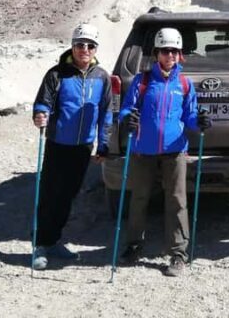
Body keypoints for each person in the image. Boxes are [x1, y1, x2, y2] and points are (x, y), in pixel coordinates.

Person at [115, 27, 210, 277]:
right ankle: (134, 245)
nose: (170, 55)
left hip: (174, 149)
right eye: (165, 51)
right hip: (142, 149)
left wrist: (199, 122)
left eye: (174, 51)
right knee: (139, 198)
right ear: (157, 53)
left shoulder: (184, 84)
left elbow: (190, 116)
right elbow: (126, 109)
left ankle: (178, 253)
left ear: (180, 54)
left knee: (177, 200)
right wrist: (128, 118)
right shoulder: (143, 81)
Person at [31, 23, 112, 270]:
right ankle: (40, 244)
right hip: (58, 143)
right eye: (80, 45)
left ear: (95, 48)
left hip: (83, 146)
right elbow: (42, 102)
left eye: (90, 45)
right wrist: (40, 114)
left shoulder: (102, 77)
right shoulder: (56, 74)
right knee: (50, 194)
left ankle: (54, 240)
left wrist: (104, 144)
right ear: (72, 46)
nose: (84, 49)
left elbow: (106, 113)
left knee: (68, 195)